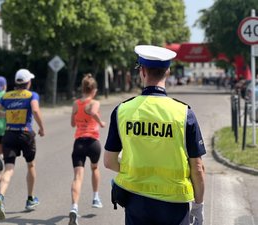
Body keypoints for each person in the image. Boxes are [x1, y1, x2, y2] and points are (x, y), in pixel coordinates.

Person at [104, 45, 206, 225]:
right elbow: (198, 168)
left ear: (142, 71)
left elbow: (109, 161)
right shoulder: (183, 114)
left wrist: (135, 171)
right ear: (167, 72)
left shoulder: (122, 111)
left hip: (136, 200)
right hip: (175, 203)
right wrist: (198, 206)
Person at [0, 68, 45, 220]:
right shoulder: (32, 95)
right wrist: (41, 127)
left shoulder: (6, 96)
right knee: (31, 165)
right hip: (26, 134)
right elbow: (35, 110)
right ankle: (30, 199)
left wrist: (7, 114)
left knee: (8, 169)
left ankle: (0, 197)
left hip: (9, 135)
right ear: (28, 82)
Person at [69, 73, 106, 225]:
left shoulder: (76, 103)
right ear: (94, 90)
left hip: (79, 143)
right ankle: (95, 197)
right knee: (95, 168)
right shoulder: (95, 103)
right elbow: (91, 111)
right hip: (92, 142)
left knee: (77, 177)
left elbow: (72, 123)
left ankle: (74, 208)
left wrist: (78, 117)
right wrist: (101, 122)